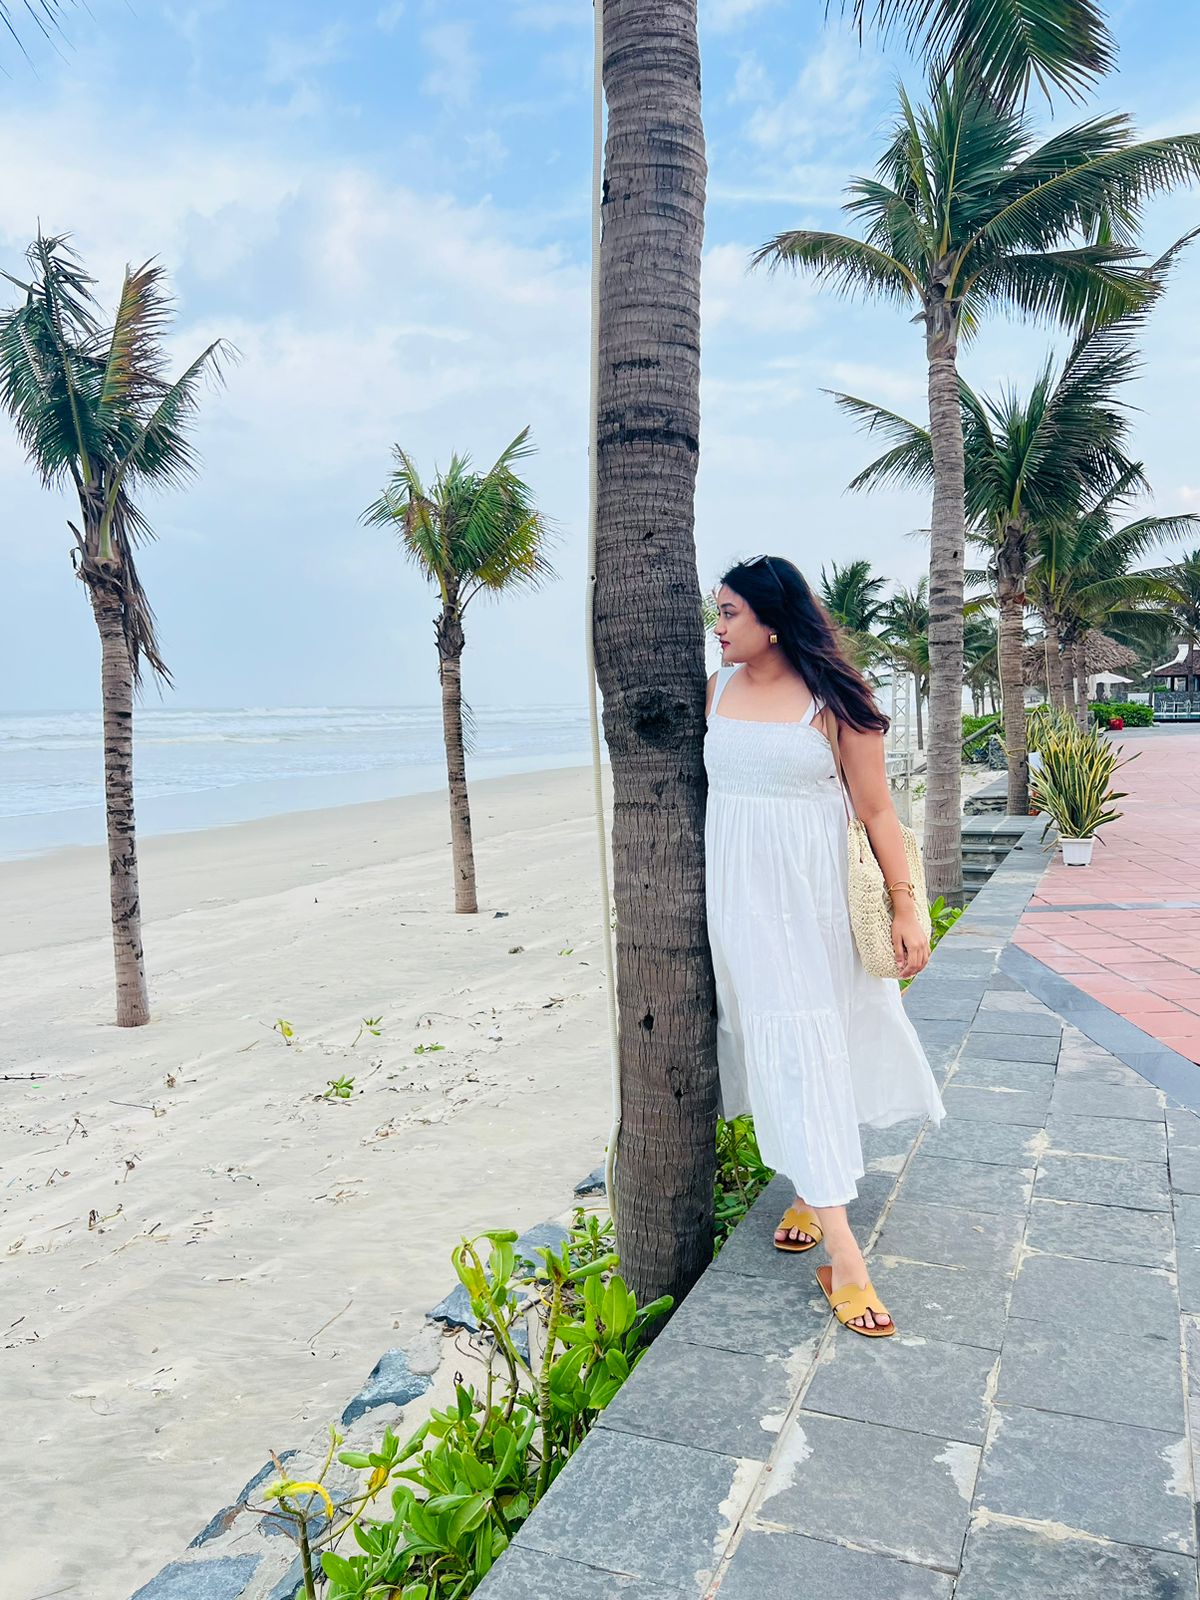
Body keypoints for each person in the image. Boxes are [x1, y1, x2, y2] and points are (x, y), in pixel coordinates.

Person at [705, 555, 946, 1336]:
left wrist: (907, 909)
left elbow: (877, 812)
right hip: (743, 910)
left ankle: (844, 1257)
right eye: (718, 611)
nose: (718, 625)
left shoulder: (833, 701)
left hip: (817, 908)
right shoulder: (716, 693)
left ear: (772, 620)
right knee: (786, 1045)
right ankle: (815, 1189)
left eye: (731, 612)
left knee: (820, 1039)